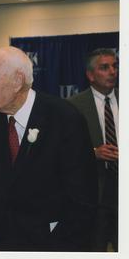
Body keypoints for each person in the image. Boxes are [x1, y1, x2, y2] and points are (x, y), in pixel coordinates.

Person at [0, 46, 98, 251]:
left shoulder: (64, 118)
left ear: (17, 81)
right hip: (7, 242)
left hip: (54, 243)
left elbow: (83, 198)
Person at [68, 48, 119, 251]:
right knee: (94, 248)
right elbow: (64, 152)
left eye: (114, 66)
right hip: (94, 192)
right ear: (90, 75)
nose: (112, 71)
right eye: (104, 67)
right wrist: (93, 152)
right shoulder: (73, 106)